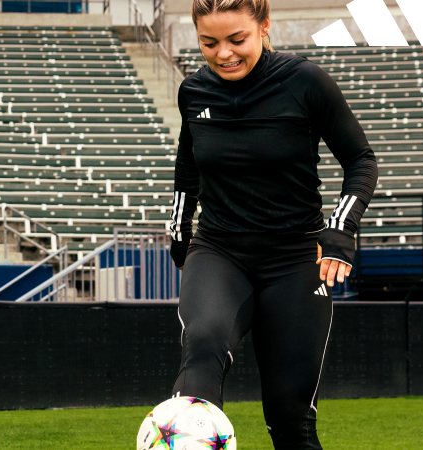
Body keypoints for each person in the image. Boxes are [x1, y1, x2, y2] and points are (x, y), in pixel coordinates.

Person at [168, 0, 378, 448]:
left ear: (264, 27)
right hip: (219, 251)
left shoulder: (306, 82)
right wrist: (180, 232)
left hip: (295, 260)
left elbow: (361, 160)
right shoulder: (194, 92)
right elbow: (188, 168)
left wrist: (339, 232)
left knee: (289, 418)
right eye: (209, 43)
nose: (223, 53)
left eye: (236, 39)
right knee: (202, 351)